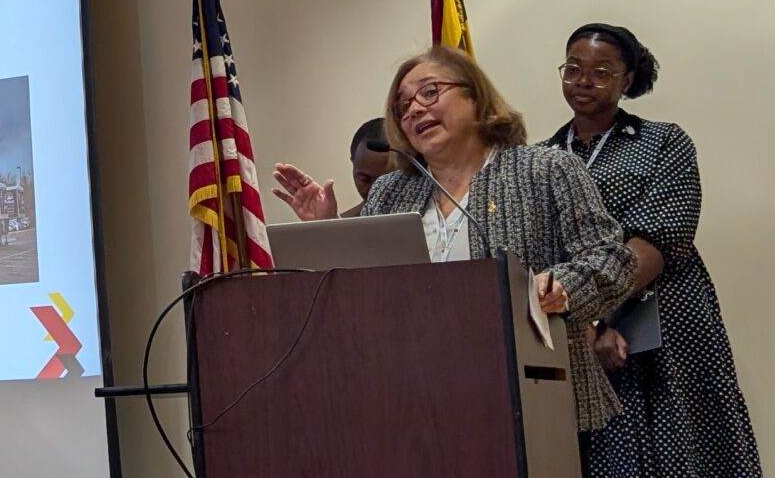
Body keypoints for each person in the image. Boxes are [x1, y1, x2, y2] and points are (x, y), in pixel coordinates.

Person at [545, 24, 775, 478]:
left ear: (629, 78)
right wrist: (588, 328)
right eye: (573, 68)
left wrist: (596, 309)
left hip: (671, 344)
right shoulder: (541, 159)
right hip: (589, 357)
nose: (584, 81)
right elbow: (535, 252)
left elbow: (664, 234)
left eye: (601, 70)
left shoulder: (664, 143)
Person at [272, 46, 638, 427]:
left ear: (475, 96)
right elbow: (366, 294)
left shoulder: (545, 169)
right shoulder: (391, 192)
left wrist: (561, 286)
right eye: (402, 106)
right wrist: (326, 228)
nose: (413, 109)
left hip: (538, 398)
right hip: (422, 400)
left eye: (429, 93)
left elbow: (612, 258)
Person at [339, 118, 398, 216]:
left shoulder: (428, 217)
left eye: (386, 181)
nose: (375, 189)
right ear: (353, 162)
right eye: (364, 179)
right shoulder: (341, 225)